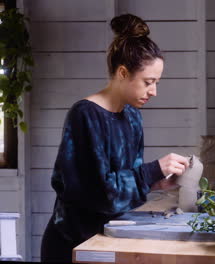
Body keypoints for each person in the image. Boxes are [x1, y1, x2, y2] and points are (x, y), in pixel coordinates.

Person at [40, 14, 190, 262]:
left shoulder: (132, 116)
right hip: (73, 244)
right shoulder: (85, 115)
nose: (154, 91)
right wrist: (152, 171)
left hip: (108, 238)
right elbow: (96, 192)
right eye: (148, 82)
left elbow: (121, 186)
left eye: (156, 82)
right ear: (122, 73)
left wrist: (155, 183)